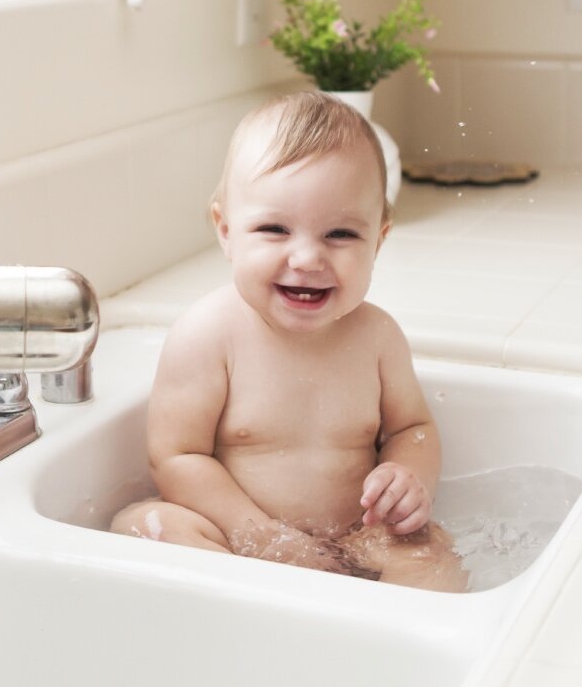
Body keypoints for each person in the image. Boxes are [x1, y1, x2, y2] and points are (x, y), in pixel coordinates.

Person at [111, 92, 467, 592]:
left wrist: (410, 481)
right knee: (146, 526)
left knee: (427, 550)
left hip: (355, 538)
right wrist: (258, 535)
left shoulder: (377, 337)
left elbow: (413, 427)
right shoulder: (208, 335)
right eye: (274, 229)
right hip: (237, 539)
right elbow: (175, 458)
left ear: (379, 240)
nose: (306, 258)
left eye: (340, 234)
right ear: (226, 231)